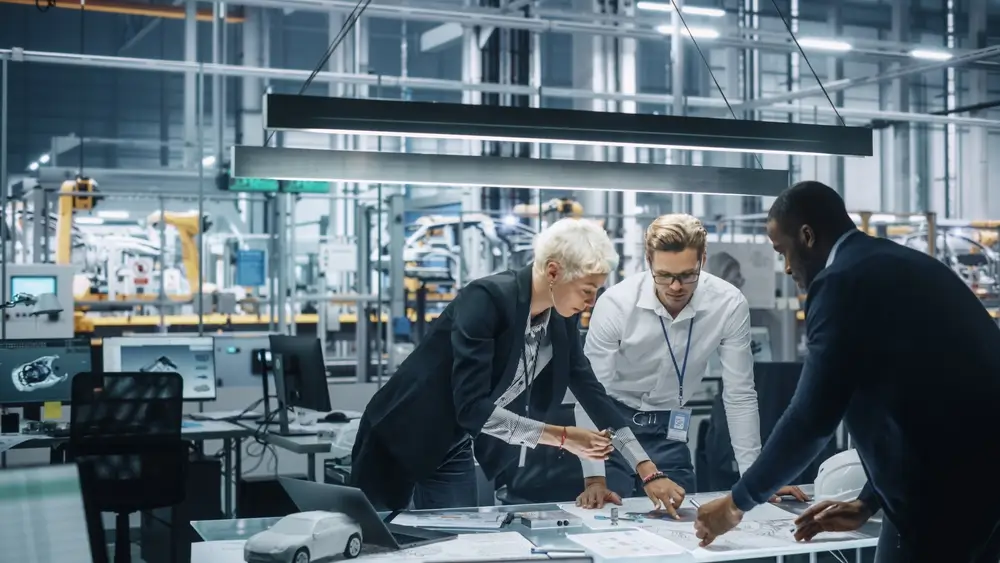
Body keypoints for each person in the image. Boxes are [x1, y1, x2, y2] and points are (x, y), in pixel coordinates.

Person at [694, 181, 1000, 562]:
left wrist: (737, 503)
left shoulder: (840, 282)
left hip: (942, 499)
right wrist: (869, 501)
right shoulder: (900, 264)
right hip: (977, 489)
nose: (787, 267)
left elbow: (811, 417)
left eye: (783, 252)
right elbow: (922, 394)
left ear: (807, 236)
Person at [351, 218, 683, 513]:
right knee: (378, 545)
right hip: (398, 436)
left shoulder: (559, 317)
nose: (591, 301)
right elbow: (471, 408)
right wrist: (564, 437)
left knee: (457, 543)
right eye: (587, 289)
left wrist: (648, 470)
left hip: (453, 443)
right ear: (553, 272)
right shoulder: (486, 299)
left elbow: (591, 392)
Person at [574, 214, 805, 509]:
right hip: (612, 432)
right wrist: (594, 479)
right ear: (649, 262)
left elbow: (739, 395)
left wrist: (758, 478)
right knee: (610, 520)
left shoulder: (728, 304)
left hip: (671, 431)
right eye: (664, 275)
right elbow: (591, 397)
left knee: (682, 524)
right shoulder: (616, 304)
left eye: (687, 275)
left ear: (703, 260)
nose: (675, 286)